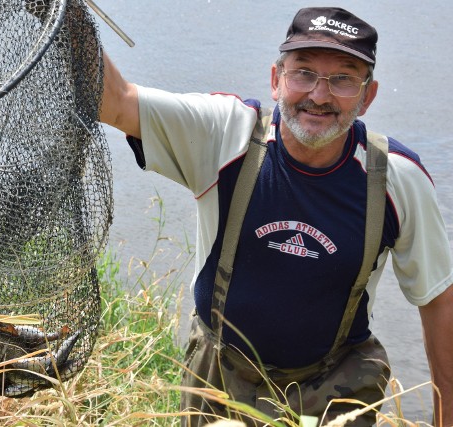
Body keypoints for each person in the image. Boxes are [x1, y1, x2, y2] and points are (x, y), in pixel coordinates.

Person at [98, 6, 453, 427]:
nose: (319, 96)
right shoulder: (225, 134)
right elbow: (116, 103)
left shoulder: (397, 178)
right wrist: (56, 14)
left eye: (342, 78)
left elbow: (439, 299)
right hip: (219, 378)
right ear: (275, 79)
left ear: (367, 95)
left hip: (337, 386)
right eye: (303, 72)